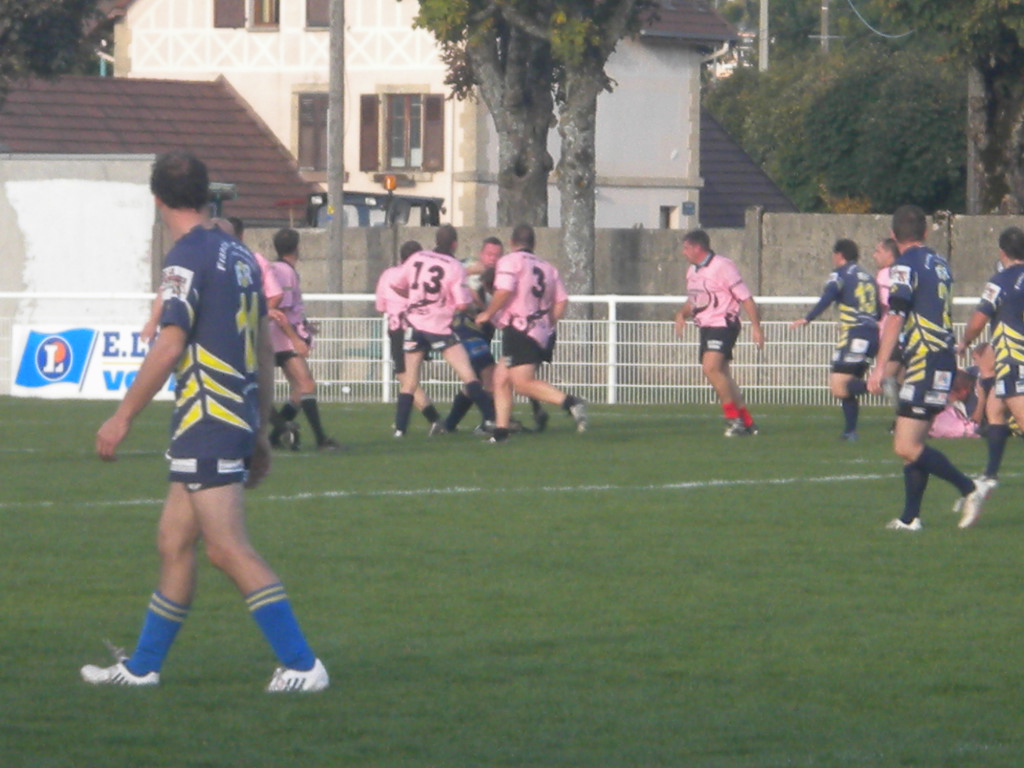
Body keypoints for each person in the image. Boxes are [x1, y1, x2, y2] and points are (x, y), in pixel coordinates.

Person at [83, 151, 328, 691]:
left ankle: (302, 664)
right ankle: (143, 668)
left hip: (208, 417)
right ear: (207, 193)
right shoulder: (238, 255)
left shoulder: (185, 258)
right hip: (228, 414)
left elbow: (169, 345)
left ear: (157, 200)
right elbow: (263, 345)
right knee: (173, 542)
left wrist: (122, 417)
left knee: (226, 548)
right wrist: (259, 429)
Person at [867, 204, 985, 531]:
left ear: (893, 235)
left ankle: (970, 488)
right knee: (914, 442)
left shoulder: (904, 266)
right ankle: (910, 518)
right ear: (926, 231)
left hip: (924, 359)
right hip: (942, 356)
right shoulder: (941, 263)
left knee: (905, 444)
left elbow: (896, 315)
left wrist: (879, 367)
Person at [476, 223, 588, 443]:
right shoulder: (548, 267)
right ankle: (501, 433)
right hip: (539, 330)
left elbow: (505, 290)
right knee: (501, 379)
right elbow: (562, 300)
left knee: (522, 383)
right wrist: (548, 323)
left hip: (520, 328)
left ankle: (571, 402)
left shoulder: (510, 261)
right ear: (533, 243)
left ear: (511, 242)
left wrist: (487, 313)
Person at [389, 224, 495, 437]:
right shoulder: (455, 266)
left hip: (415, 323)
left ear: (436, 241)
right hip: (438, 326)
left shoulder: (417, 257)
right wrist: (472, 310)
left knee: (410, 382)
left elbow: (397, 285)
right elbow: (462, 304)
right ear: (454, 244)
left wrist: (416, 299)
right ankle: (491, 418)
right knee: (468, 375)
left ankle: (400, 430)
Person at [954, 225, 1024, 523]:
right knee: (995, 411)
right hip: (1012, 363)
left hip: (1015, 360)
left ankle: (988, 479)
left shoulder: (1000, 281)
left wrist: (965, 341)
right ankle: (990, 476)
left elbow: (979, 319)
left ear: (1002, 252)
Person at [447, 236, 548, 434]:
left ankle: (449, 425)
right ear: (481, 254)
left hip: (486, 331)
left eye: (497, 255)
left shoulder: (503, 276)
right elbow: (452, 273)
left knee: (478, 380)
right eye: (489, 254)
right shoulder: (469, 267)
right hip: (466, 330)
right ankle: (495, 421)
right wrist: (472, 277)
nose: (493, 259)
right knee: (491, 375)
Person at [674, 229, 764, 436]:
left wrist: (756, 328)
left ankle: (733, 419)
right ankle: (747, 422)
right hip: (706, 326)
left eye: (686, 247)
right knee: (722, 373)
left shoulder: (723, 266)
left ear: (698, 248)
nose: (683, 252)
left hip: (724, 324)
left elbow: (746, 298)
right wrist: (681, 314)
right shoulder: (692, 271)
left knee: (711, 368)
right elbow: (694, 301)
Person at [790, 239, 879, 440]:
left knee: (839, 386)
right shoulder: (868, 277)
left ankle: (878, 384)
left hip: (855, 334)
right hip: (872, 334)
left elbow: (829, 295)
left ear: (839, 255)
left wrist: (808, 317)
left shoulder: (840, 274)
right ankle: (850, 432)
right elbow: (879, 310)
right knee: (847, 384)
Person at [267, 228, 340, 450]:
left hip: (276, 335)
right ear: (297, 248)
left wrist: (305, 324)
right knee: (305, 384)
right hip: (281, 338)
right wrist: (296, 339)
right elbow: (279, 310)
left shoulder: (277, 268)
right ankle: (320, 439)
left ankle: (275, 436)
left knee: (300, 388)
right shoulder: (284, 272)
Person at [374, 240, 446, 435]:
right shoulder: (424, 276)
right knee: (408, 377)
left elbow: (380, 306)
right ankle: (433, 419)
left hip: (399, 328)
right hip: (422, 326)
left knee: (406, 377)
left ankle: (417, 422)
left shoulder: (389, 275)